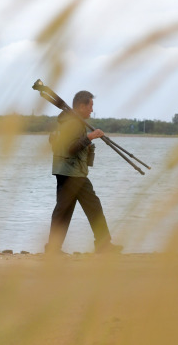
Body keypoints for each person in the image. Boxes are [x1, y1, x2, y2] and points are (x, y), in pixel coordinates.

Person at [45, 90, 122, 255]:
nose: (91, 110)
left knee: (66, 210)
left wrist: (86, 141)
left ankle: (53, 249)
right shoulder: (73, 123)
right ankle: (103, 245)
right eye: (90, 106)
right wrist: (91, 137)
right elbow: (71, 148)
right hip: (72, 172)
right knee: (86, 207)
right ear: (81, 106)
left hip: (69, 170)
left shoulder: (71, 121)